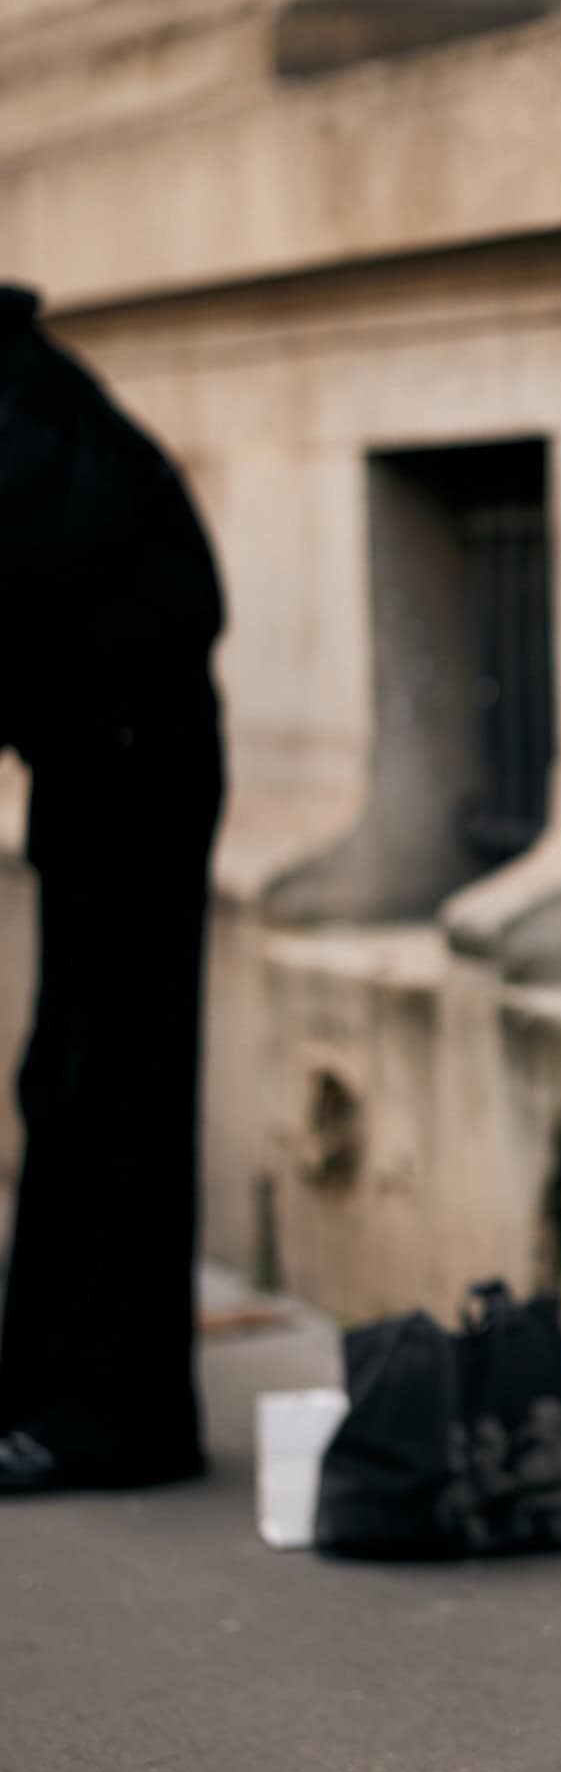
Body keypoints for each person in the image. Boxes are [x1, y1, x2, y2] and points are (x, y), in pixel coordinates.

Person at [0, 286, 224, 1495]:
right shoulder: (30, 394)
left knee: (108, 1083)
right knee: (73, 1077)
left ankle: (107, 1415)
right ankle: (54, 1389)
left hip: (133, 766)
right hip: (105, 759)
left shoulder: (28, 412)